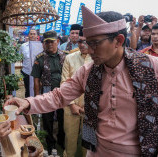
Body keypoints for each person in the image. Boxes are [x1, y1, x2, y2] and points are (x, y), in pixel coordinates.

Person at [5, 6, 158, 157]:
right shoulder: (88, 71)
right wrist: (28, 103)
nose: (89, 50)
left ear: (119, 41)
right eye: (87, 42)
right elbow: (59, 96)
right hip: (96, 150)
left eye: (95, 43)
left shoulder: (153, 69)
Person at [31, 30, 66, 154]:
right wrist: (37, 99)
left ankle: (62, 141)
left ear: (57, 42)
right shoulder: (39, 59)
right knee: (47, 119)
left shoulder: (65, 56)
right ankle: (50, 144)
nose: (49, 44)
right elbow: (36, 80)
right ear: (43, 44)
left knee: (63, 118)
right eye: (47, 42)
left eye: (52, 41)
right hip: (47, 92)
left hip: (63, 93)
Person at [62, 28, 92, 157]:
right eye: (80, 41)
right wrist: (72, 104)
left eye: (86, 41)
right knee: (70, 139)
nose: (83, 45)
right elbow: (64, 83)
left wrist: (90, 104)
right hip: (70, 106)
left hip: (91, 107)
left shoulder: (97, 59)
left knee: (89, 140)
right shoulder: (69, 58)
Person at [19, 29, 38, 98]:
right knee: (28, 89)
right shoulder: (23, 46)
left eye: (34, 34)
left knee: (37, 89)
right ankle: (27, 106)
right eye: (31, 34)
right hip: (26, 72)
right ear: (28, 35)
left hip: (37, 73)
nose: (32, 35)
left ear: (37, 36)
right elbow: (21, 58)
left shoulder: (40, 46)